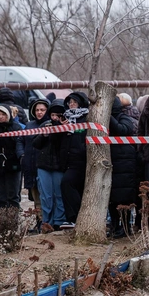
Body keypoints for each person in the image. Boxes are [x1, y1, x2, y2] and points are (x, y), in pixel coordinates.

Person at [32, 99, 67, 231]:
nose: (55, 118)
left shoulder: (67, 127)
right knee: (46, 196)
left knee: (59, 195)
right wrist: (44, 135)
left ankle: (59, 221)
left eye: (58, 115)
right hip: (44, 165)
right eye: (53, 115)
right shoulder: (45, 126)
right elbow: (35, 144)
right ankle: (47, 222)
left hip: (59, 166)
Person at [106, 97, 138, 238]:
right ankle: (114, 226)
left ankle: (125, 227)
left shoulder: (124, 117)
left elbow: (123, 130)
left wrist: (109, 117)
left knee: (124, 197)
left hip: (125, 162)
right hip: (111, 160)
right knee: (111, 197)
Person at [60, 91, 90, 227]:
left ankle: (79, 215)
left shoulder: (87, 118)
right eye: (70, 102)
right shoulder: (65, 119)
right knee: (69, 185)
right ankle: (73, 218)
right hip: (68, 160)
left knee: (67, 183)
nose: (72, 105)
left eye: (74, 102)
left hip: (83, 160)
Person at [23, 99, 50, 231]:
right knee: (35, 197)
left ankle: (46, 222)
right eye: (37, 110)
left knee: (46, 196)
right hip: (30, 164)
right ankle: (39, 221)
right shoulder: (29, 125)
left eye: (42, 110)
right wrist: (21, 155)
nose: (39, 112)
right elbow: (21, 142)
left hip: (44, 165)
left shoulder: (50, 125)